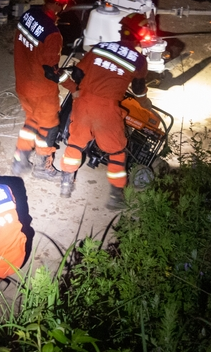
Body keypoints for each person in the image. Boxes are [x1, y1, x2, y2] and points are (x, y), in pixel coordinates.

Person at [59, 13, 153, 209]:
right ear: (140, 36)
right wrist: (145, 103)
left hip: (83, 103)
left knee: (75, 143)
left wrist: (83, 89)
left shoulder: (100, 47)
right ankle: (116, 197)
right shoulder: (138, 60)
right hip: (107, 110)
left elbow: (78, 73)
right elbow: (138, 90)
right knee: (117, 151)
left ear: (121, 29)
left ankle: (66, 184)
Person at [11, 0, 75, 178]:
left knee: (31, 120)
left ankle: (20, 160)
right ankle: (42, 168)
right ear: (63, 2)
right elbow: (51, 71)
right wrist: (72, 86)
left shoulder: (28, 15)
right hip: (41, 91)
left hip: (23, 84)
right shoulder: (53, 34)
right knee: (49, 127)